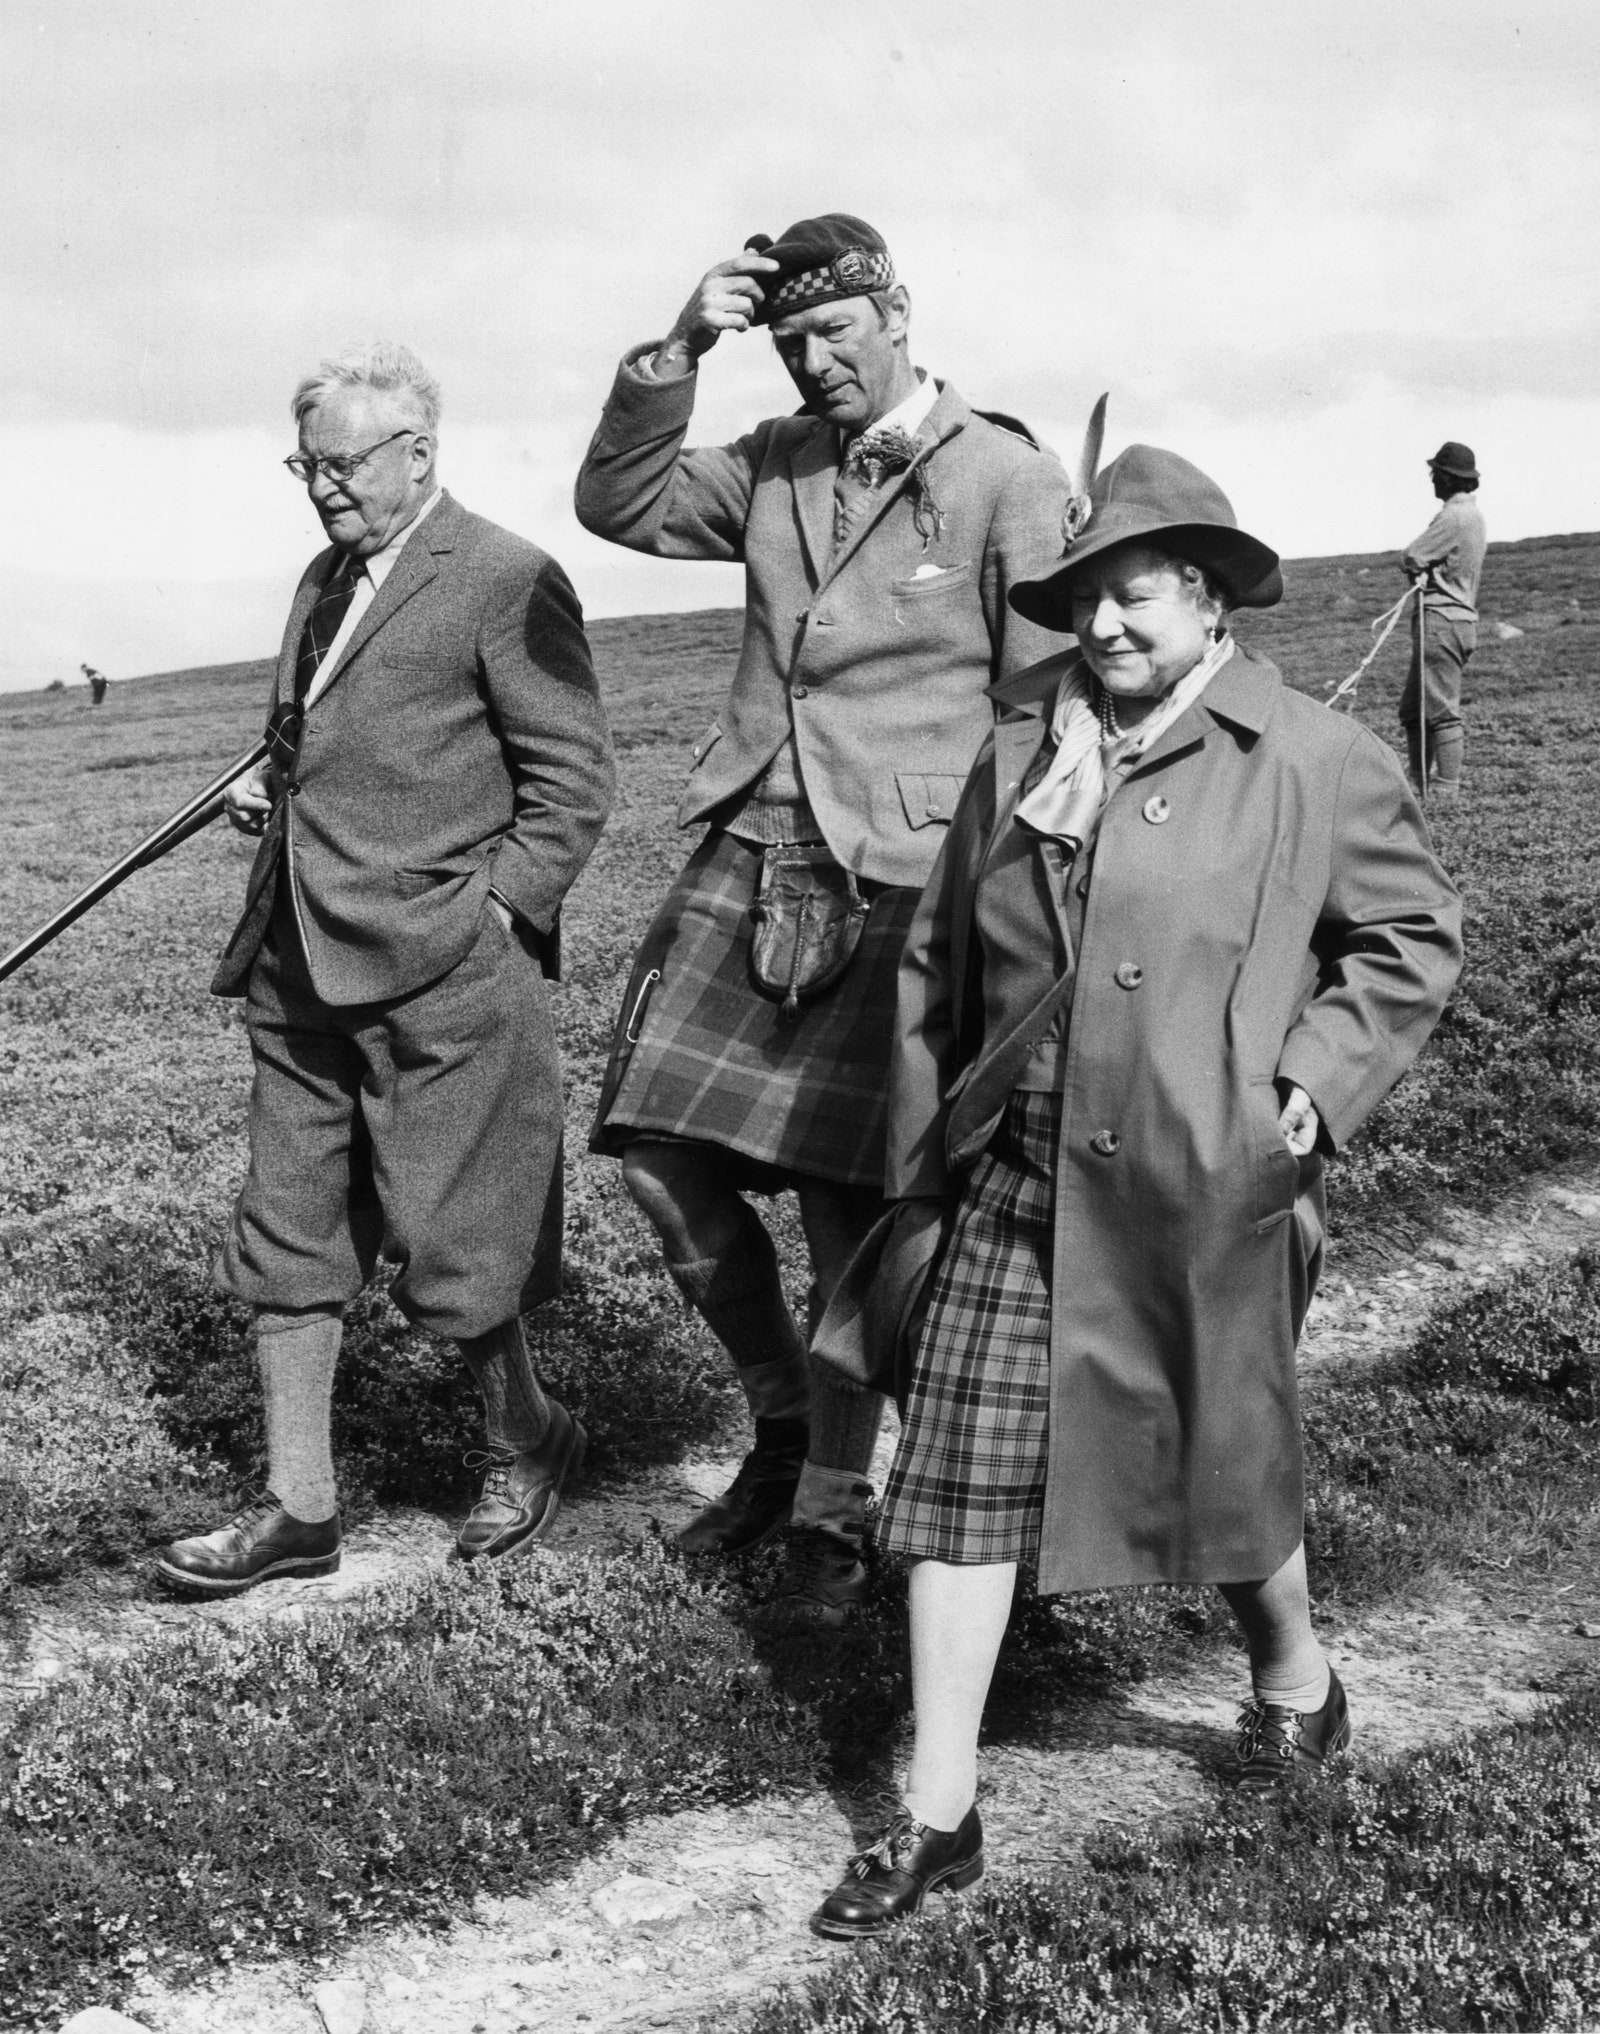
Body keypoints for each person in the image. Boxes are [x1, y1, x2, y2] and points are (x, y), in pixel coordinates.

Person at [810, 444, 1463, 1938]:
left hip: (1199, 1185)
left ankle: (1296, 1680)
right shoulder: (1016, 754)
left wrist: (1315, 1079)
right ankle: (938, 1810)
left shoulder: (1310, 757)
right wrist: (923, 1156)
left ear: (1212, 596)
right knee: (955, 1486)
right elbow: (936, 971)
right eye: (1085, 597)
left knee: (1214, 1465)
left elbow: (1411, 941)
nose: (1104, 624)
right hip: (1015, 1179)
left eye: (1138, 593)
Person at [573, 213, 1072, 1625]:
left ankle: (835, 1513)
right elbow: (620, 502)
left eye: (836, 335)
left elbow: (1044, 705)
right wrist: (677, 349)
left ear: (899, 314)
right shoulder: (773, 461)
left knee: (857, 1199)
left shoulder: (1005, 478)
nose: (815, 364)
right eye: (790, 343)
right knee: (658, 1157)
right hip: (753, 834)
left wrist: (1011, 896)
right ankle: (785, 1417)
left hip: (909, 870)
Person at [155, 342, 615, 1597]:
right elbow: (324, 734)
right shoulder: (323, 577)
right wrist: (277, 789)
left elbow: (573, 782)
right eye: (308, 464)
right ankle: (299, 1508)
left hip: (446, 971)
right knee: (287, 1233)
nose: (324, 487)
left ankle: (528, 1438)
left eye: (347, 462)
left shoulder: (507, 576)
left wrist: (497, 918)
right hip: (297, 962)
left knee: (457, 1242)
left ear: (421, 451)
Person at [1400, 441, 1486, 803]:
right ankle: (1418, 784)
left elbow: (1413, 555)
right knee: (1414, 709)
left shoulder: (1454, 516)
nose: (1433, 479)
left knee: (1440, 709)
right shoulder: (1470, 514)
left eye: (1436, 473)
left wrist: (1418, 569)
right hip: (1454, 621)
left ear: (1449, 479)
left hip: (1442, 620)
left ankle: (1445, 793)